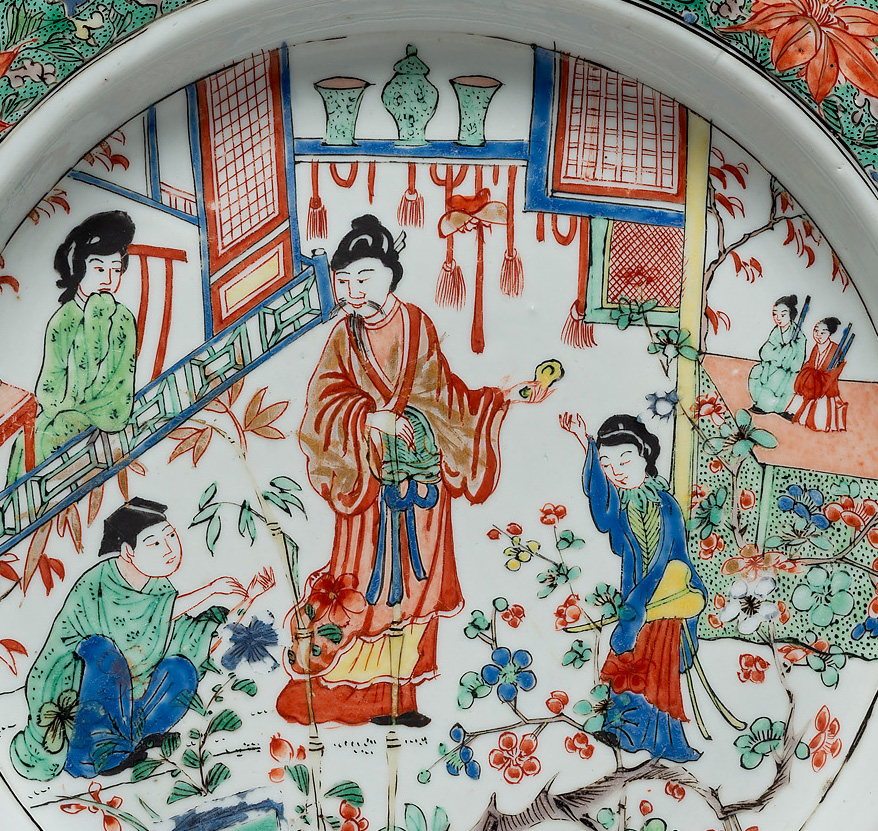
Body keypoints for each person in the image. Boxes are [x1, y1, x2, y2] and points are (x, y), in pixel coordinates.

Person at [277, 215, 549, 727]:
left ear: (390, 274)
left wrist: (501, 399)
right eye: (344, 280)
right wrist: (366, 419)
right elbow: (321, 409)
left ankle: (399, 699)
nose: (353, 291)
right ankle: (346, 696)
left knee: (418, 589)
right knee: (364, 590)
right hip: (367, 489)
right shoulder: (343, 339)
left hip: (422, 492)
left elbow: (444, 396)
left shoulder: (418, 325)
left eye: (364, 277)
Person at [9, 497, 273, 781]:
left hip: (125, 698)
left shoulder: (159, 588)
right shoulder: (99, 582)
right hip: (79, 692)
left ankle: (132, 742)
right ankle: (92, 753)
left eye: (171, 536)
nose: (170, 549)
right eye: (154, 543)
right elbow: (125, 634)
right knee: (102, 651)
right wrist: (208, 591)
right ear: (128, 551)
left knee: (181, 668)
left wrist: (250, 597)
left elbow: (193, 636)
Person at [560, 412, 706, 763]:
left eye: (624, 459)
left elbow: (665, 559)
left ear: (645, 456)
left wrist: (637, 608)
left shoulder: (664, 504)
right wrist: (585, 445)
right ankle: (623, 731)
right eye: (607, 464)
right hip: (636, 598)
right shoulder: (623, 503)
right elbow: (602, 515)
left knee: (654, 667)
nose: (616, 470)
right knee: (630, 663)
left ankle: (666, 742)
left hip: (665, 599)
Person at [6, 211, 138, 485]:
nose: (108, 278)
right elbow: (49, 382)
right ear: (79, 269)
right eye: (99, 269)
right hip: (63, 413)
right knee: (28, 443)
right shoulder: (63, 320)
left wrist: (88, 411)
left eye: (116, 270)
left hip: (105, 412)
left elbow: (122, 380)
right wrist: (66, 410)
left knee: (45, 443)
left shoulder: (123, 318)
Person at [784, 317, 848, 431]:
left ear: (829, 334)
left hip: (825, 388)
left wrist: (819, 382)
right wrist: (804, 375)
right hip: (812, 384)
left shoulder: (835, 349)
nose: (818, 335)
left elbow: (834, 372)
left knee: (819, 418)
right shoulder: (816, 347)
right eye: (816, 330)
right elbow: (810, 363)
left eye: (823, 332)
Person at [748, 294, 807, 415]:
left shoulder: (799, 337)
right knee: (756, 371)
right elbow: (765, 352)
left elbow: (797, 364)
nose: (778, 318)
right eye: (775, 314)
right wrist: (780, 354)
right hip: (771, 366)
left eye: (783, 315)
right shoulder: (776, 332)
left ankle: (766, 406)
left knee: (777, 378)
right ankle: (760, 402)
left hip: (787, 372)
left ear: (791, 315)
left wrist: (791, 351)